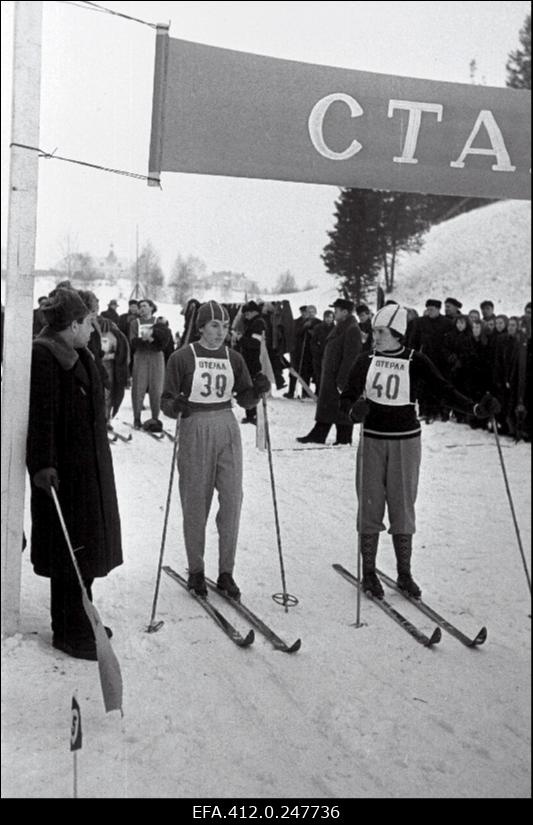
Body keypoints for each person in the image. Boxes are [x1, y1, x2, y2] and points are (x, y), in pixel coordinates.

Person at [339, 303, 500, 600]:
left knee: (402, 505)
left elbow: (443, 390)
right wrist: (353, 411)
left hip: (405, 441)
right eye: (373, 331)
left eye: (381, 332)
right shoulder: (365, 360)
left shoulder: (415, 360)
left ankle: (404, 573)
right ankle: (371, 572)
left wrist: (475, 408)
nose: (375, 337)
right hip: (373, 439)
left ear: (398, 334)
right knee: (370, 504)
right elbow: (346, 397)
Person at [26, 288, 123, 660]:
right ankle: (68, 631)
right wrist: (43, 465)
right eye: (89, 322)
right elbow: (41, 417)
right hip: (64, 475)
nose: (94, 327)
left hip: (89, 467)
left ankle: (83, 617)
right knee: (70, 551)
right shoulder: (46, 357)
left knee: (86, 549)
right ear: (73, 324)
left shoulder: (78, 353)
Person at [161, 300, 270, 598]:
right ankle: (196, 570)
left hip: (226, 424)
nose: (221, 331)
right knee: (196, 501)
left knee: (233, 499)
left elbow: (245, 399)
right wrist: (176, 405)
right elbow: (166, 401)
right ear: (200, 327)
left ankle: (226, 572)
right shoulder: (182, 357)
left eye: (224, 325)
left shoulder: (233, 358)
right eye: (214, 325)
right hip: (195, 425)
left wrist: (258, 390)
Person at [297, 298, 362, 445]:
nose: (334, 313)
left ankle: (343, 439)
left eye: (336, 310)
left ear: (345, 312)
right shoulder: (342, 326)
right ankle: (319, 434)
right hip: (331, 376)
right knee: (330, 407)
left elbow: (350, 358)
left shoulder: (352, 329)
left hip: (338, 378)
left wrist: (343, 381)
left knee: (341, 408)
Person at [130, 298, 173, 431]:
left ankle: (155, 417)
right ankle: (137, 418)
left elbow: (165, 339)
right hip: (141, 356)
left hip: (156, 356)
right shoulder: (134, 323)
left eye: (144, 306)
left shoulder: (159, 322)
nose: (141, 309)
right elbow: (133, 341)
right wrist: (146, 341)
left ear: (151, 307)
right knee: (139, 387)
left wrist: (151, 341)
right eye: (139, 306)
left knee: (156, 388)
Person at [238, 300, 267, 424]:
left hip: (254, 360)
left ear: (253, 312)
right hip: (251, 359)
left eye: (247, 313)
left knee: (252, 387)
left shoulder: (258, 323)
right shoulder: (254, 323)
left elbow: (255, 343)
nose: (245, 316)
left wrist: (240, 339)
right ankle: (251, 413)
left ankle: (253, 414)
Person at [283, 305, 307, 398]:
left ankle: (305, 392)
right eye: (303, 312)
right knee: (293, 371)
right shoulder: (296, 322)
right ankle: (291, 391)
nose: (304, 313)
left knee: (305, 372)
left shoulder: (313, 322)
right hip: (296, 350)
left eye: (306, 311)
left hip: (306, 351)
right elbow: (294, 333)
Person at [309, 309, 335, 394]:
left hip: (331, 356)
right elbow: (313, 342)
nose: (328, 319)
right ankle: (318, 391)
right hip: (319, 355)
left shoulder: (336, 329)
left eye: (330, 317)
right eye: (327, 317)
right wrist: (316, 351)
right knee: (318, 374)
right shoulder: (318, 328)